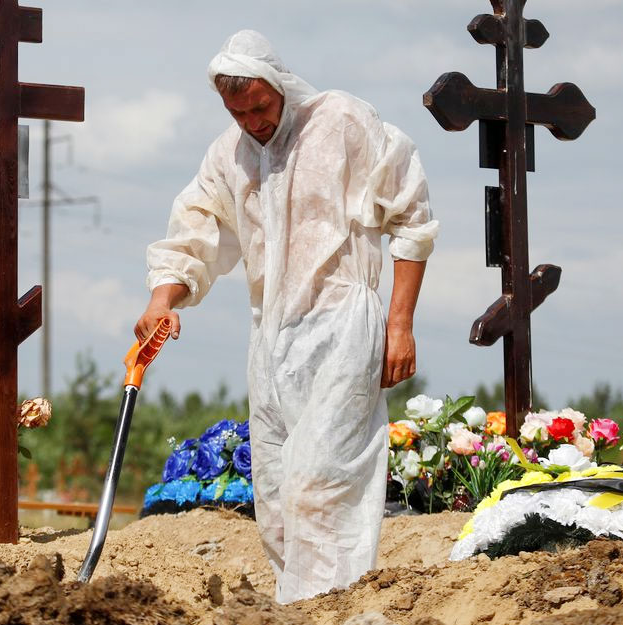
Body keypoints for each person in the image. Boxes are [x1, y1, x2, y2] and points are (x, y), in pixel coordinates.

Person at [134, 30, 439, 603]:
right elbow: (195, 233)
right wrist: (162, 301)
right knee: (274, 494)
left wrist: (399, 326)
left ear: (281, 86)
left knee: (320, 483)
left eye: (261, 107)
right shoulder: (228, 156)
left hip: (342, 323)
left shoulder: (341, 121)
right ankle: (297, 603)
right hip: (270, 338)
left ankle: (325, 609)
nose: (253, 121)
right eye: (239, 113)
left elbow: (411, 218)